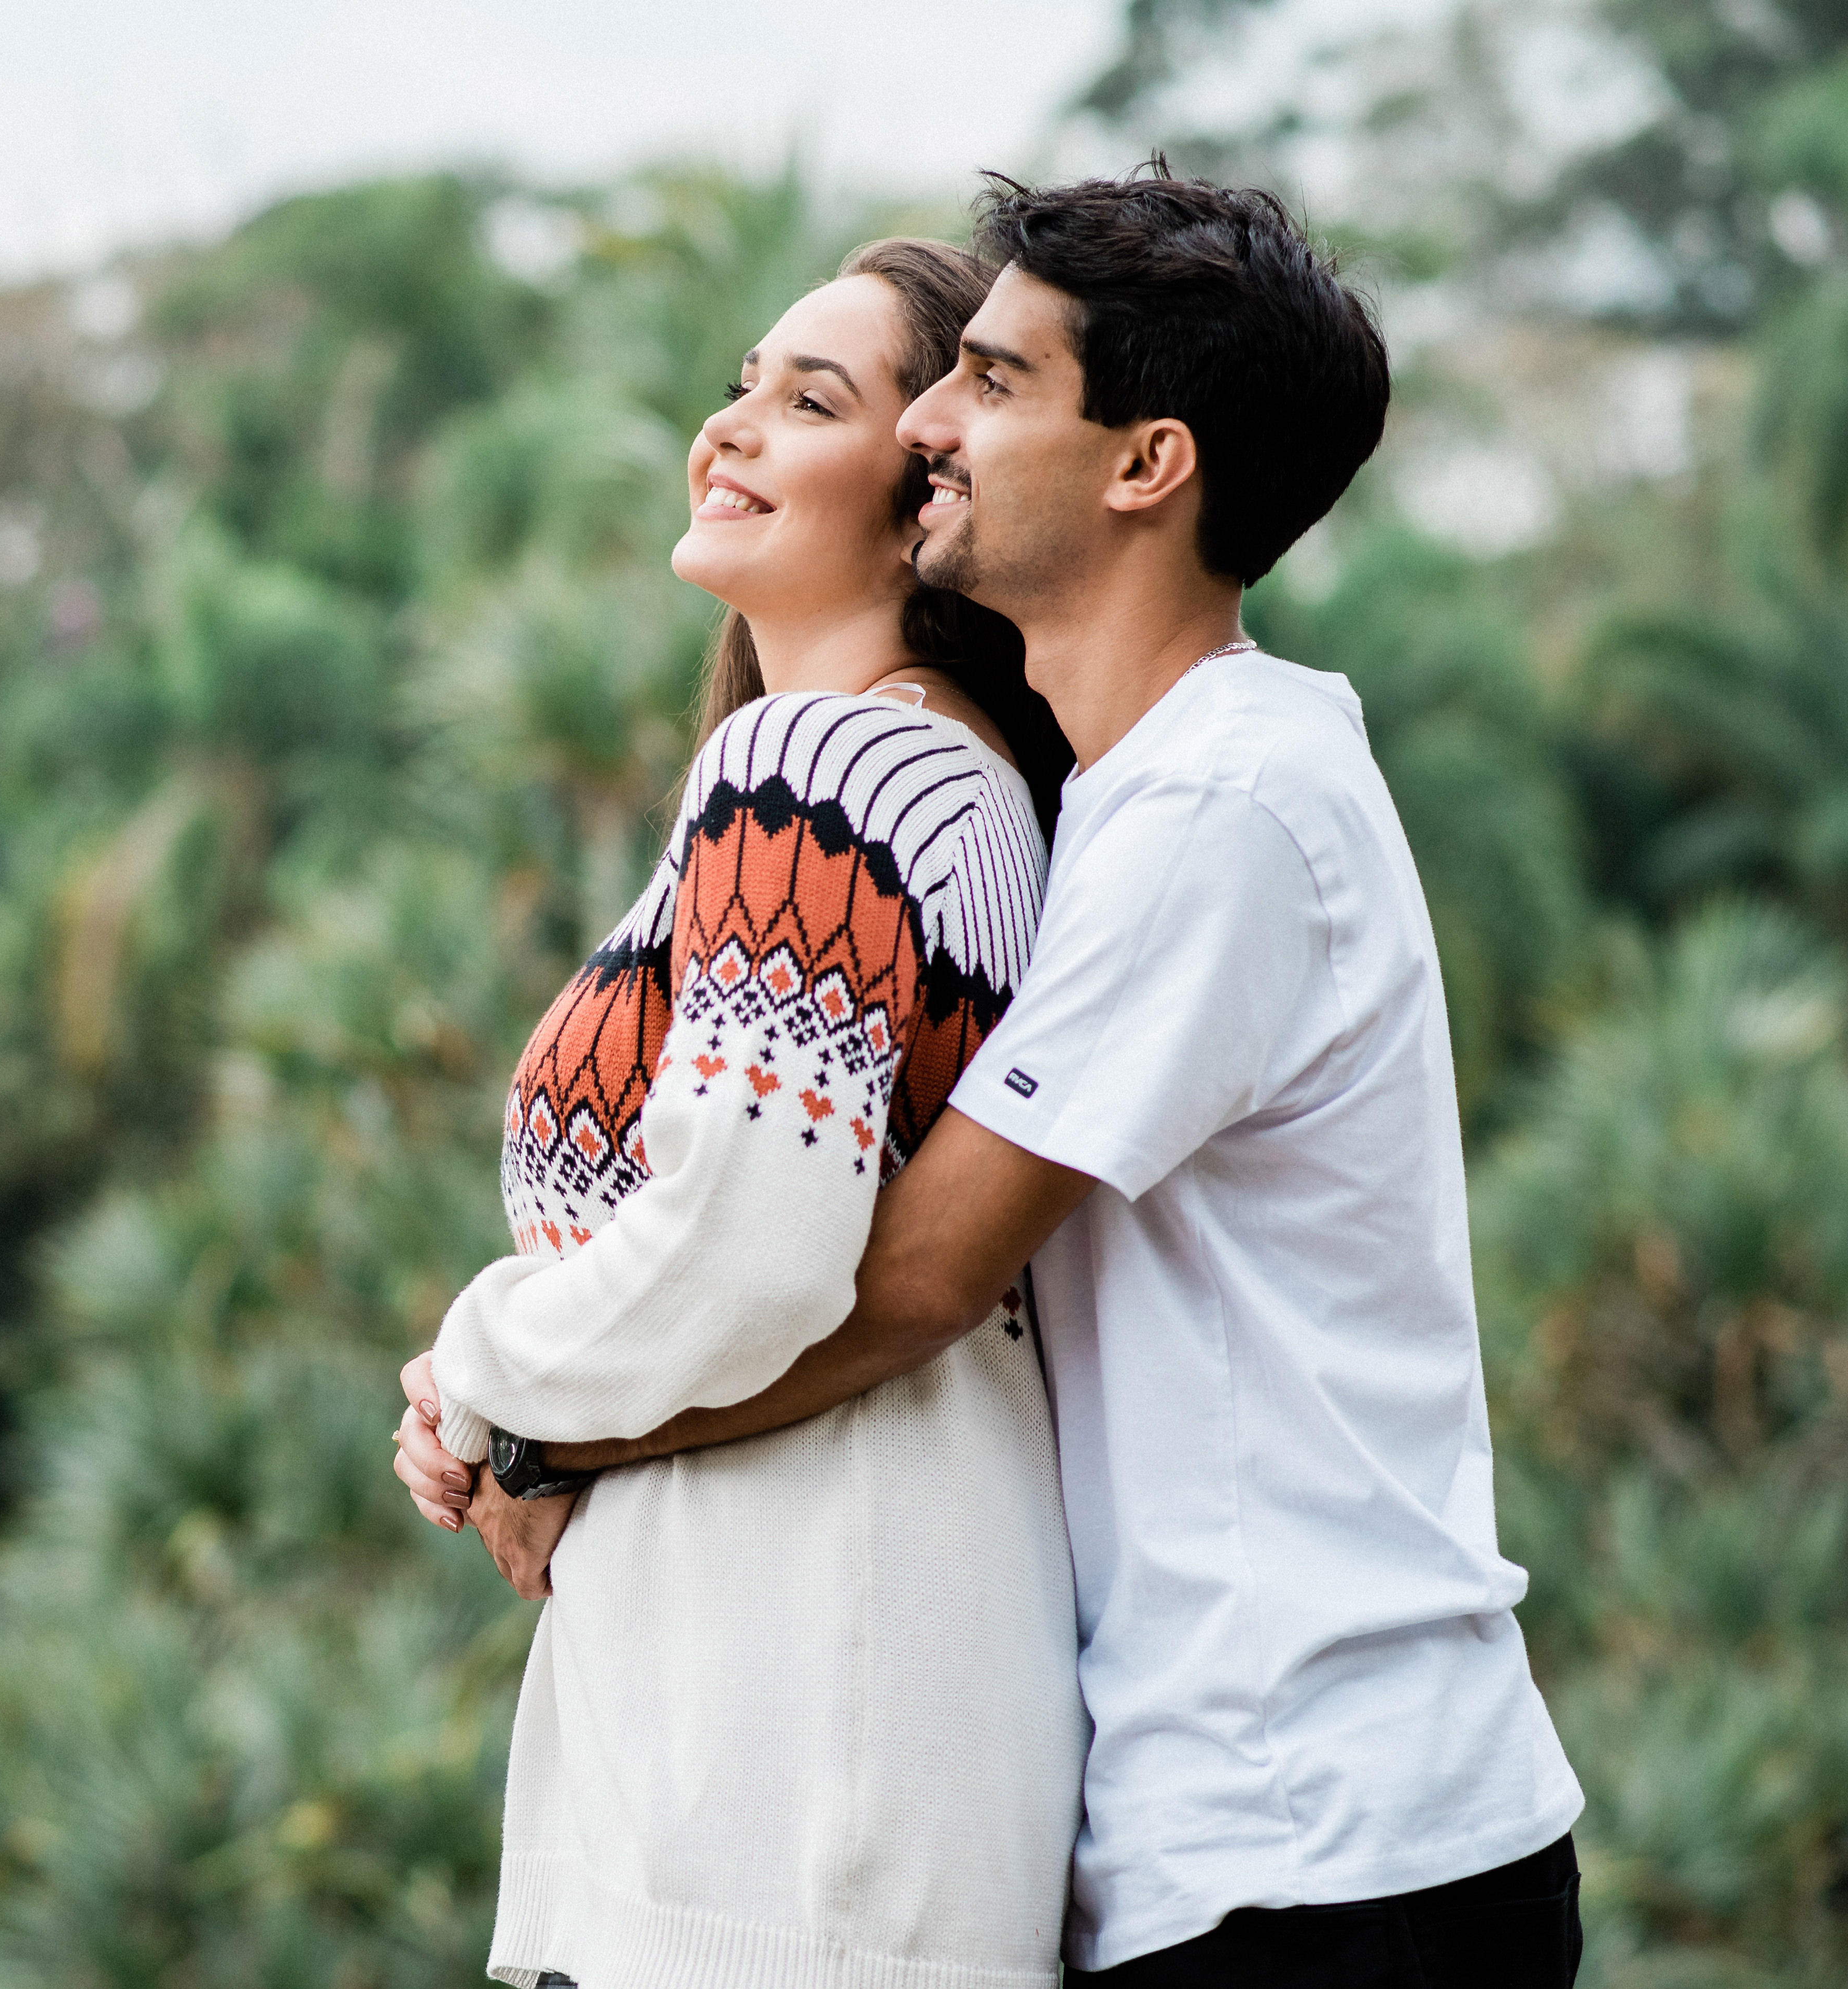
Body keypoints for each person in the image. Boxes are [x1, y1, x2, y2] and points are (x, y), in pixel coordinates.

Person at [398, 166, 1587, 1987]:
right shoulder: (1096, 805)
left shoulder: (1214, 800)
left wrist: (522, 1407)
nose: (936, 424)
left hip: (1321, 1830)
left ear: (1145, 464)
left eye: (997, 382)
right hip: (1188, 1818)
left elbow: (889, 1274)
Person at [388, 237, 1088, 1989]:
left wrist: (484, 1376)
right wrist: (531, 1423)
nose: (730, 429)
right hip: (791, 1753)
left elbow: (742, 1248)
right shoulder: (949, 783)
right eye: (740, 383)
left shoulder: (832, 773)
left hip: (789, 1777)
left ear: (925, 479)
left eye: (810, 399)